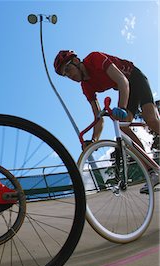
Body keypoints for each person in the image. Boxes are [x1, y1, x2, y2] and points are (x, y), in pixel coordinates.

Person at [54, 50, 159, 192]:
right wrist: (93, 141)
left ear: (76, 61)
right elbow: (98, 118)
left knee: (151, 119)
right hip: (126, 87)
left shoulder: (94, 58)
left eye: (68, 69)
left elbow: (122, 81)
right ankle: (153, 171)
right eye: (65, 75)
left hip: (134, 78)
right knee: (123, 126)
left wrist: (121, 107)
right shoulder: (86, 87)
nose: (69, 75)